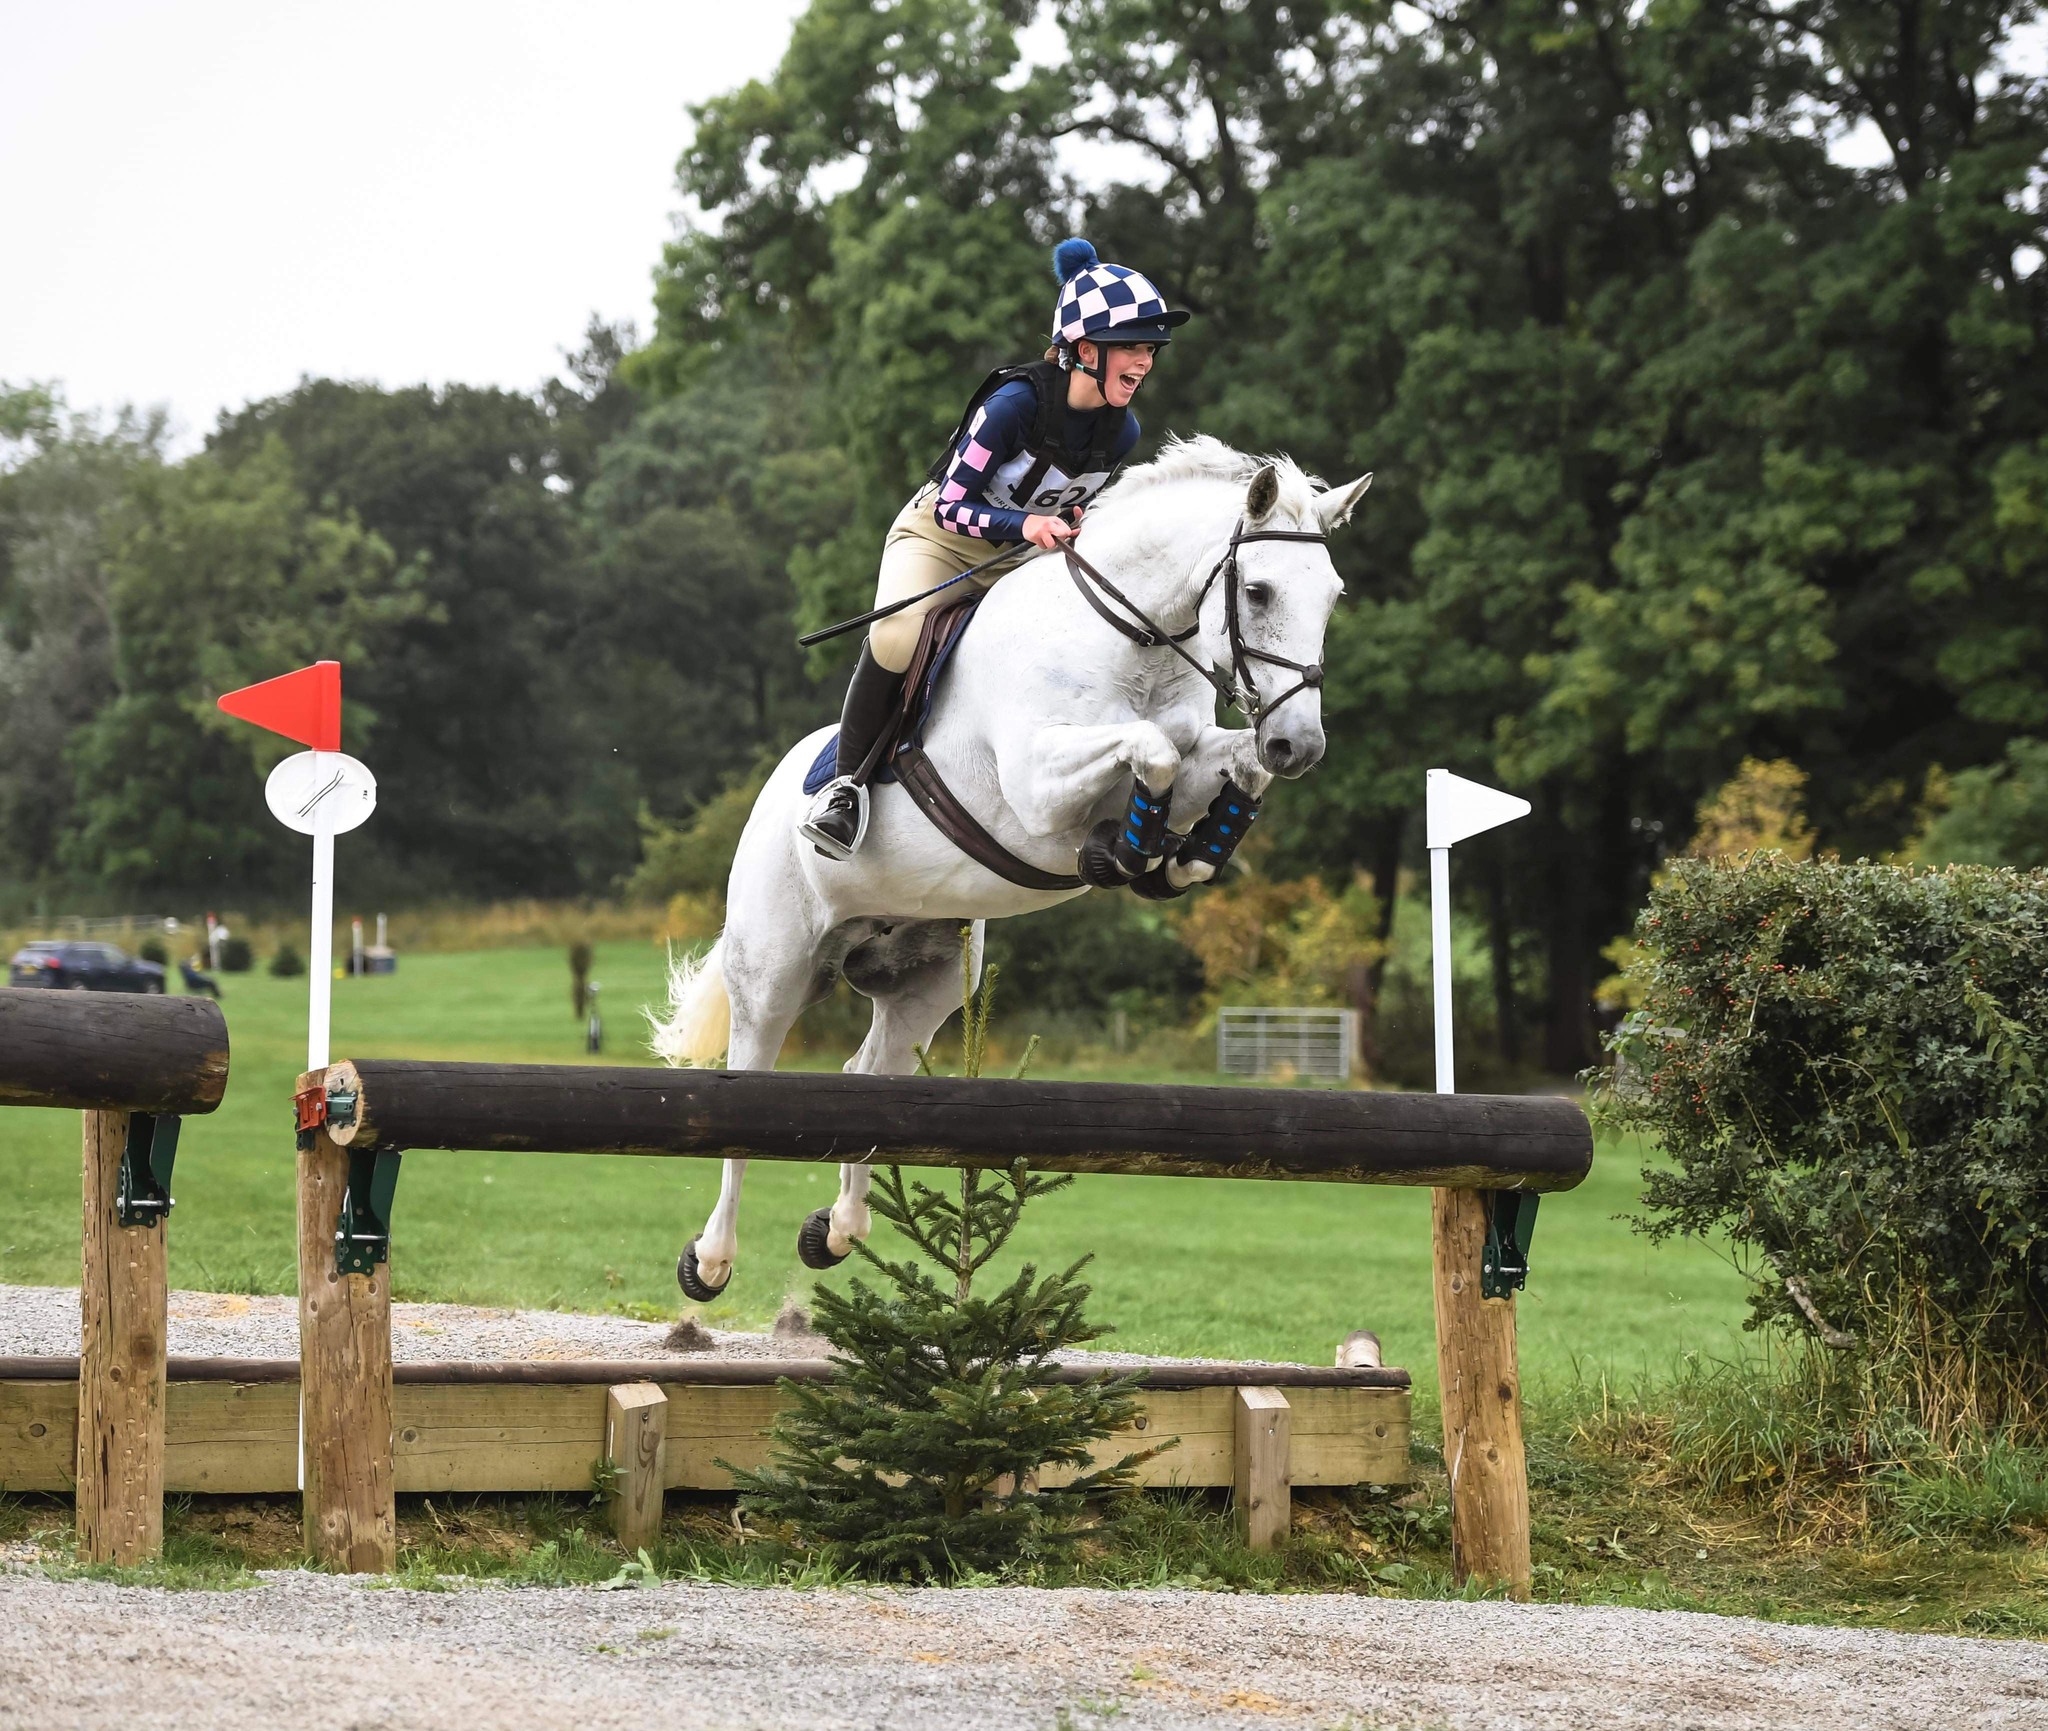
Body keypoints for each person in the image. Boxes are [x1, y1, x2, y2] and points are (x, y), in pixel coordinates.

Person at [799, 237, 1192, 859]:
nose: (1144, 362)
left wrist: (1071, 521)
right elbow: (954, 505)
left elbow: (1067, 504)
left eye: (1150, 349)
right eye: (1132, 347)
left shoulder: (1125, 430)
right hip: (940, 541)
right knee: (897, 636)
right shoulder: (1013, 404)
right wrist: (1029, 528)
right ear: (1085, 350)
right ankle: (844, 789)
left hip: (1019, 559)